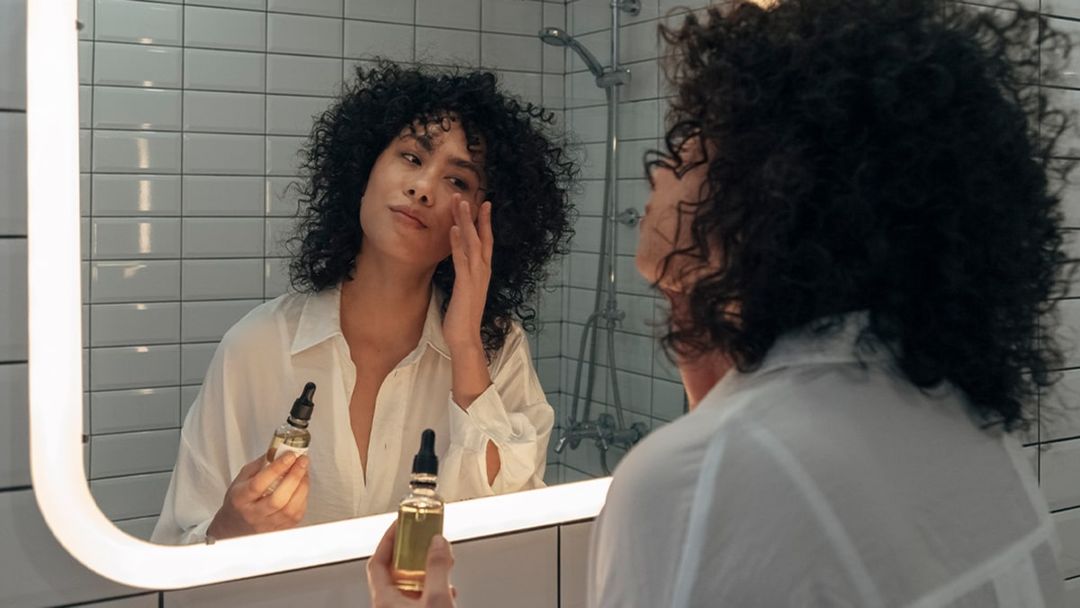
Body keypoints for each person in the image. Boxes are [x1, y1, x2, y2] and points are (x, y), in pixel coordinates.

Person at [367, 0, 1074, 605]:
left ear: (772, 194)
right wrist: (692, 306)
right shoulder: (964, 421)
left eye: (693, 148)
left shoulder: (702, 480)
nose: (660, 167)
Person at [151, 62, 576, 545]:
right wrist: (230, 526)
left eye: (458, 181)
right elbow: (174, 545)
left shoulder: (497, 349)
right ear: (364, 167)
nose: (422, 188)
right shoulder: (257, 345)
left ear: (487, 220)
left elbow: (519, 531)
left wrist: (464, 347)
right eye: (412, 158)